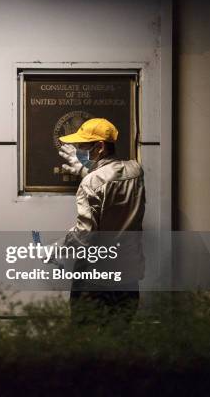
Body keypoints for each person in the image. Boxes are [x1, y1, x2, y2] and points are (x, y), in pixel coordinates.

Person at [58, 118, 145, 325]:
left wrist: (58, 248)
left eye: (81, 146)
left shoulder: (91, 182)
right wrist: (84, 170)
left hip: (95, 279)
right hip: (128, 275)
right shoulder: (136, 171)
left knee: (86, 341)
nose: (78, 150)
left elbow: (85, 236)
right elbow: (111, 184)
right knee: (119, 338)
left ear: (99, 147)